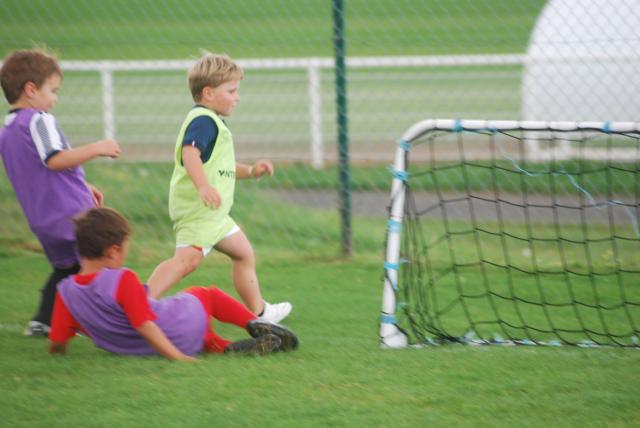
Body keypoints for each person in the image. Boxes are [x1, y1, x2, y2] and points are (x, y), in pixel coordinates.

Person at [146, 53, 291, 323]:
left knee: (243, 253)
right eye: (232, 91)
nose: (238, 97)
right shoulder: (204, 121)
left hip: (215, 215)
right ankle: (139, 306)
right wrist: (202, 186)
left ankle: (260, 313)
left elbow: (220, 166)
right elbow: (191, 154)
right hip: (200, 210)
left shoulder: (212, 122)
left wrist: (250, 171)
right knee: (186, 261)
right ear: (209, 93)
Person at [48, 207, 298, 360]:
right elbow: (145, 325)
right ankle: (255, 323)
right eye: (125, 247)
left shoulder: (66, 292)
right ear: (113, 251)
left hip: (143, 348)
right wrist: (177, 357)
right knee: (204, 296)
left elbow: (58, 343)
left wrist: (57, 356)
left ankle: (226, 349)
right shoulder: (122, 279)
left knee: (196, 330)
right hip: (174, 336)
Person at [0, 48, 121, 337]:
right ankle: (105, 319)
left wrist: (81, 183)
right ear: (31, 90)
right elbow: (54, 159)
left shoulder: (8, 129)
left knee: (67, 268)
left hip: (43, 218)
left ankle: (43, 321)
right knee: (102, 259)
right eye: (53, 90)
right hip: (69, 213)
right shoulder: (39, 120)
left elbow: (37, 170)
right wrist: (96, 148)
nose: (55, 98)